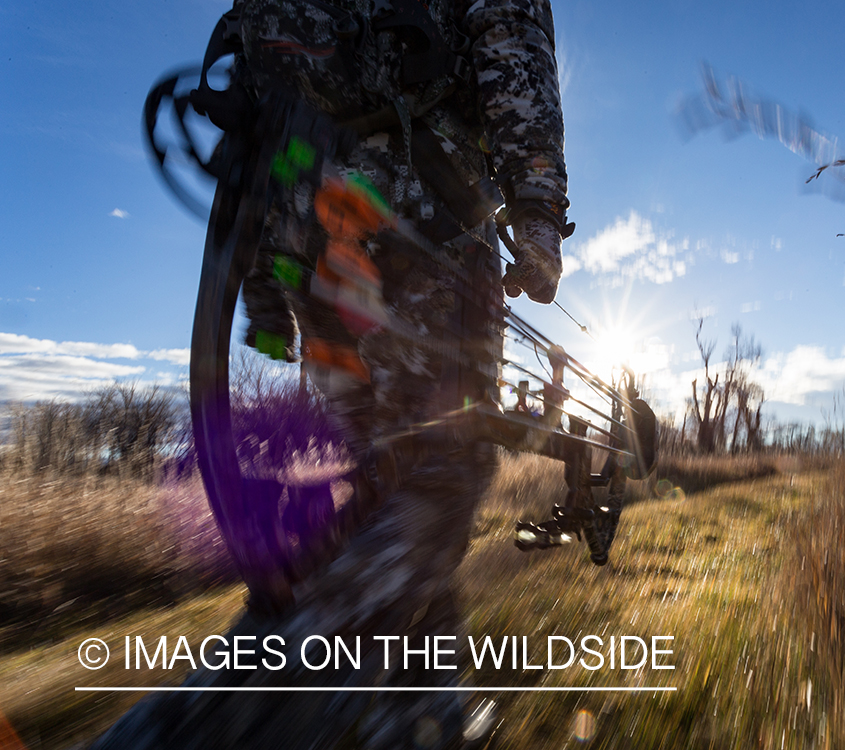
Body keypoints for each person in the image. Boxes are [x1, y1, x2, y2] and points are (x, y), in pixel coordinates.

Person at [94, 0, 569, 747]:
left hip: (299, 231)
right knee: (444, 472)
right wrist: (538, 207)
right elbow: (510, 42)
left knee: (390, 471)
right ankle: (260, 688)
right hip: (413, 212)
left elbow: (253, 81)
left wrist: (260, 285)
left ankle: (422, 702)